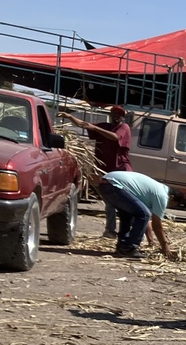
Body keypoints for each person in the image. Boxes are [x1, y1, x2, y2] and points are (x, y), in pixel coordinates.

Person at [60, 105, 132, 237]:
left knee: (125, 202)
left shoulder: (124, 128)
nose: (116, 115)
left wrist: (95, 128)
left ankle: (126, 232)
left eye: (119, 114)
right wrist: (70, 117)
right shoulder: (104, 126)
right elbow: (84, 125)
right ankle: (110, 231)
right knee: (109, 202)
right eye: (114, 113)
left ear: (122, 117)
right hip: (105, 171)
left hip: (121, 170)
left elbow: (115, 137)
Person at [96, 170, 177, 259]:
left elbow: (147, 222)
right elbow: (156, 224)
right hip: (114, 185)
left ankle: (122, 246)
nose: (167, 206)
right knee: (144, 214)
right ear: (172, 197)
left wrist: (151, 241)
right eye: (171, 204)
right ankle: (129, 247)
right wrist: (165, 247)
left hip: (104, 183)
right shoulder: (162, 195)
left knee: (127, 214)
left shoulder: (152, 192)